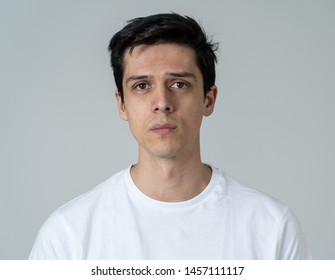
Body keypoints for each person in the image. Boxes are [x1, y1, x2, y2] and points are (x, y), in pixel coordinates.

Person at [29, 13, 311, 259]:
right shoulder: (68, 234)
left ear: (208, 99)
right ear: (121, 104)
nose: (162, 102)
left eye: (179, 83)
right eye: (141, 85)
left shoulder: (271, 227)